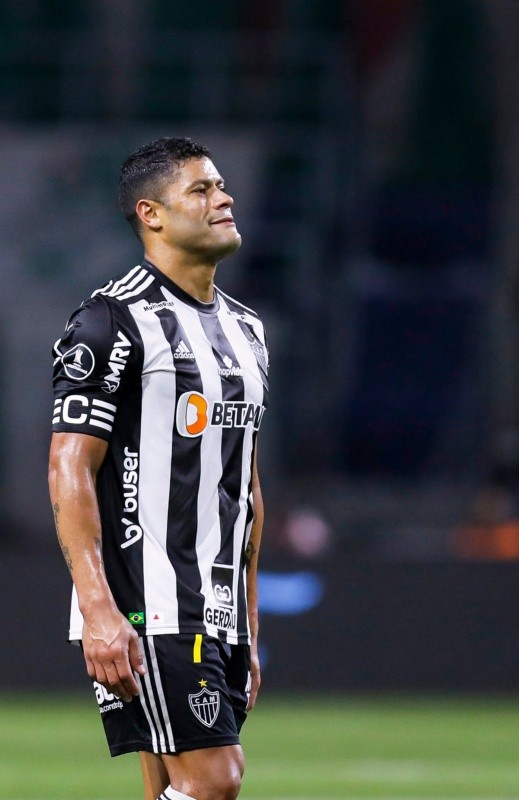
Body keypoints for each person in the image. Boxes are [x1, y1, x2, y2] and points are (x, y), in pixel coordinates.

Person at [48, 137, 269, 800]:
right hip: (148, 604)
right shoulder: (110, 323)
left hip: (219, 609)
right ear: (152, 214)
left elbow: (246, 491)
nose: (223, 199)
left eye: (222, 186)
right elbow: (69, 467)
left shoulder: (248, 330)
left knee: (169, 787)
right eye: (201, 190)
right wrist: (98, 609)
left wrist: (250, 629)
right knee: (216, 781)